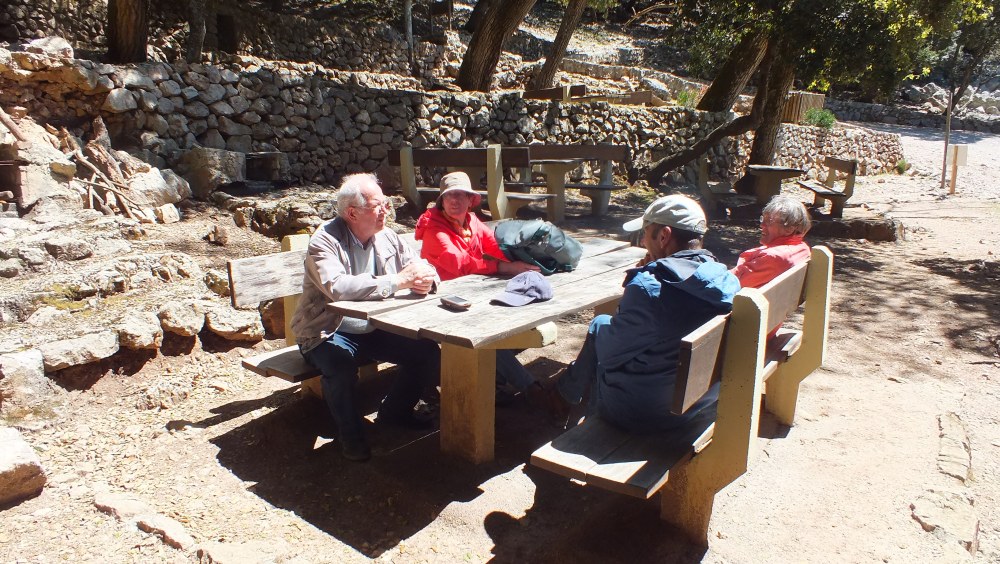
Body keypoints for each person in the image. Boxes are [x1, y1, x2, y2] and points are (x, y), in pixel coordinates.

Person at [546, 195, 740, 432]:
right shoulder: (724, 279)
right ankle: (563, 395)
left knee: (599, 328)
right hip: (699, 402)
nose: (643, 242)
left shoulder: (650, 287)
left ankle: (571, 408)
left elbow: (609, 354)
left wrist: (637, 284)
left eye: (645, 234)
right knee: (603, 325)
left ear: (664, 236)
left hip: (646, 413)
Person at [290, 173, 441, 462]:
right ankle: (352, 436)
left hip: (374, 327)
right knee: (341, 366)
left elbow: (419, 267)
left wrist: (426, 281)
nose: (387, 210)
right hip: (326, 331)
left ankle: (395, 413)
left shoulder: (387, 236)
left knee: (426, 351)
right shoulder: (325, 240)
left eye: (386, 203)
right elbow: (337, 287)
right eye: (378, 205)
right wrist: (396, 282)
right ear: (352, 213)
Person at [414, 171, 541, 401]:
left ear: (470, 199)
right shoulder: (434, 228)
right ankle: (532, 389)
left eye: (460, 194)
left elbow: (494, 247)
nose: (455, 200)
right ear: (441, 200)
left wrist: (521, 260)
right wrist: (503, 269)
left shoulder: (472, 221)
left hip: (469, 295)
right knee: (484, 336)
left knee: (515, 316)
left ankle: (494, 383)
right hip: (438, 303)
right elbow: (459, 264)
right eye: (449, 195)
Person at [732, 195, 812, 289]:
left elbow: (729, 285)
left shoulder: (773, 257)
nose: (762, 225)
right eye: (762, 219)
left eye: (769, 221)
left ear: (789, 229)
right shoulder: (802, 248)